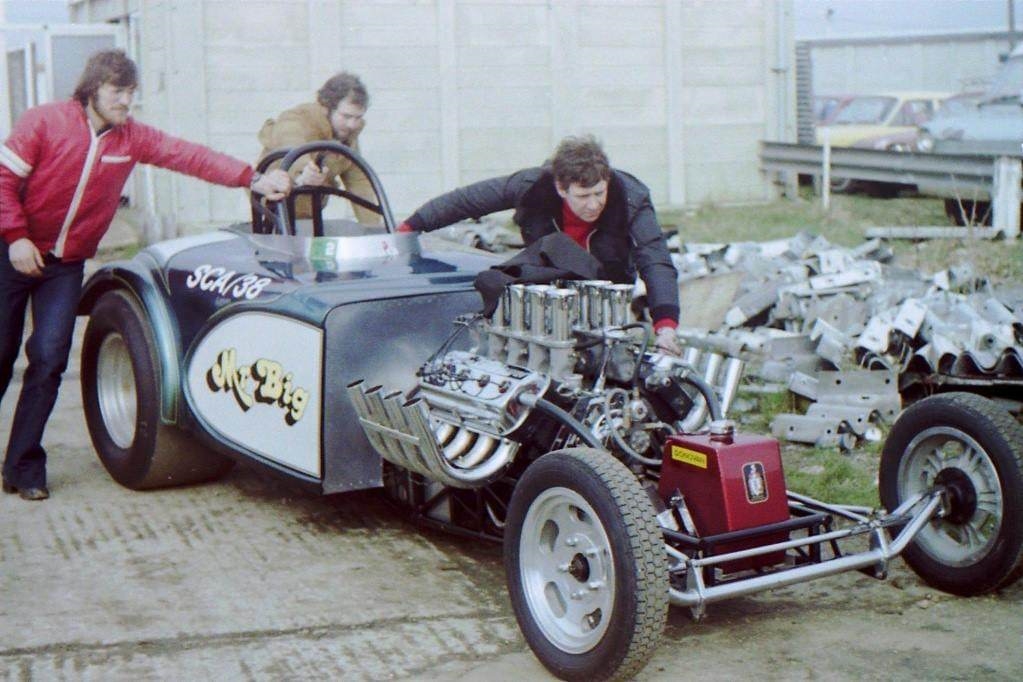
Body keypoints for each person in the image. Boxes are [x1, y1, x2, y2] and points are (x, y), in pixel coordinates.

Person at [0, 49, 292, 501]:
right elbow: (2, 179)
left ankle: (22, 466)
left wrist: (252, 179)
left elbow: (188, 156)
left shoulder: (131, 138)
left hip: (63, 265)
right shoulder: (45, 122)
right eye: (117, 91)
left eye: (131, 93)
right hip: (12, 252)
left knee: (50, 357)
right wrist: (16, 236)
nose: (125, 101)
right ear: (92, 89)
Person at [398, 135, 682, 354]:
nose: (594, 204)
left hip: (606, 293)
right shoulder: (532, 186)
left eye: (599, 193)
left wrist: (666, 325)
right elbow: (467, 200)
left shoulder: (631, 197)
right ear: (561, 188)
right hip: (549, 289)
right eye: (583, 196)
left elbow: (654, 257)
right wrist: (407, 229)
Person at [257, 71, 380, 225]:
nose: (352, 124)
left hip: (309, 214)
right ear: (326, 107)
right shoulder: (297, 119)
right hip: (270, 212)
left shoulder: (347, 136)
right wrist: (304, 171)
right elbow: (290, 141)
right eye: (346, 116)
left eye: (358, 117)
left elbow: (359, 185)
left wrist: (375, 229)